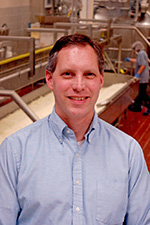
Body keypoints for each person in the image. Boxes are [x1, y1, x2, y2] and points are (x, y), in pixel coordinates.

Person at [0, 34, 150, 225]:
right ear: (49, 79)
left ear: (101, 81)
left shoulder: (129, 153)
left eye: (89, 74)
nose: (79, 86)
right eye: (68, 74)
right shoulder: (14, 152)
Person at [125, 41, 150, 115]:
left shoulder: (141, 53)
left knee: (141, 93)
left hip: (142, 77)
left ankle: (139, 107)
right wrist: (129, 59)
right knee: (140, 92)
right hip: (144, 77)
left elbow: (142, 65)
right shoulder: (143, 53)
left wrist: (138, 74)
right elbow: (138, 61)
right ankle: (137, 105)